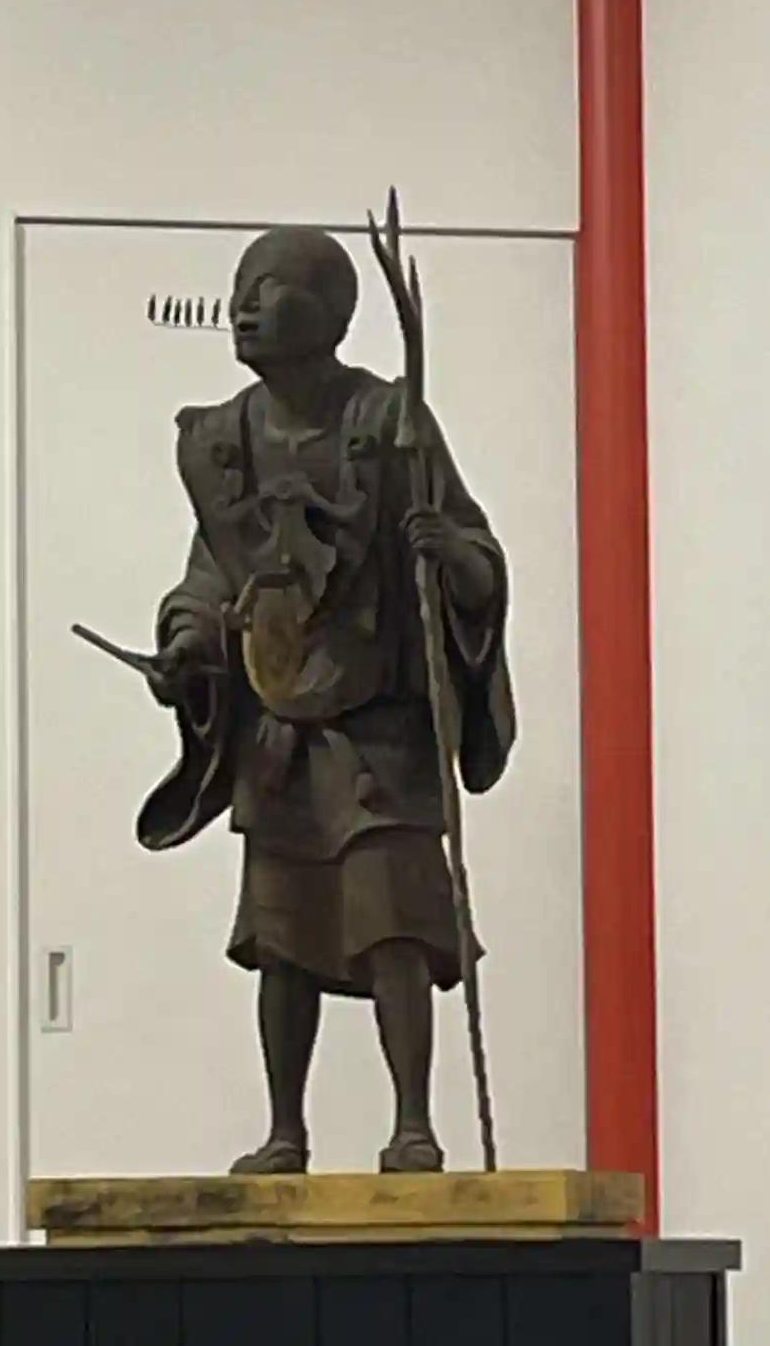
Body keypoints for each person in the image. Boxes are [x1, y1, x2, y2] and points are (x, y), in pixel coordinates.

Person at [136, 224, 514, 1173]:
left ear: (334, 314)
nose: (246, 306)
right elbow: (212, 577)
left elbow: (477, 557)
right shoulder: (222, 447)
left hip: (381, 724)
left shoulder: (390, 425)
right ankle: (285, 1130)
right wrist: (187, 643)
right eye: (241, 287)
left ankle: (413, 1124)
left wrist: (451, 556)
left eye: (271, 287)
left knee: (395, 924)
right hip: (283, 728)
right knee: (281, 935)